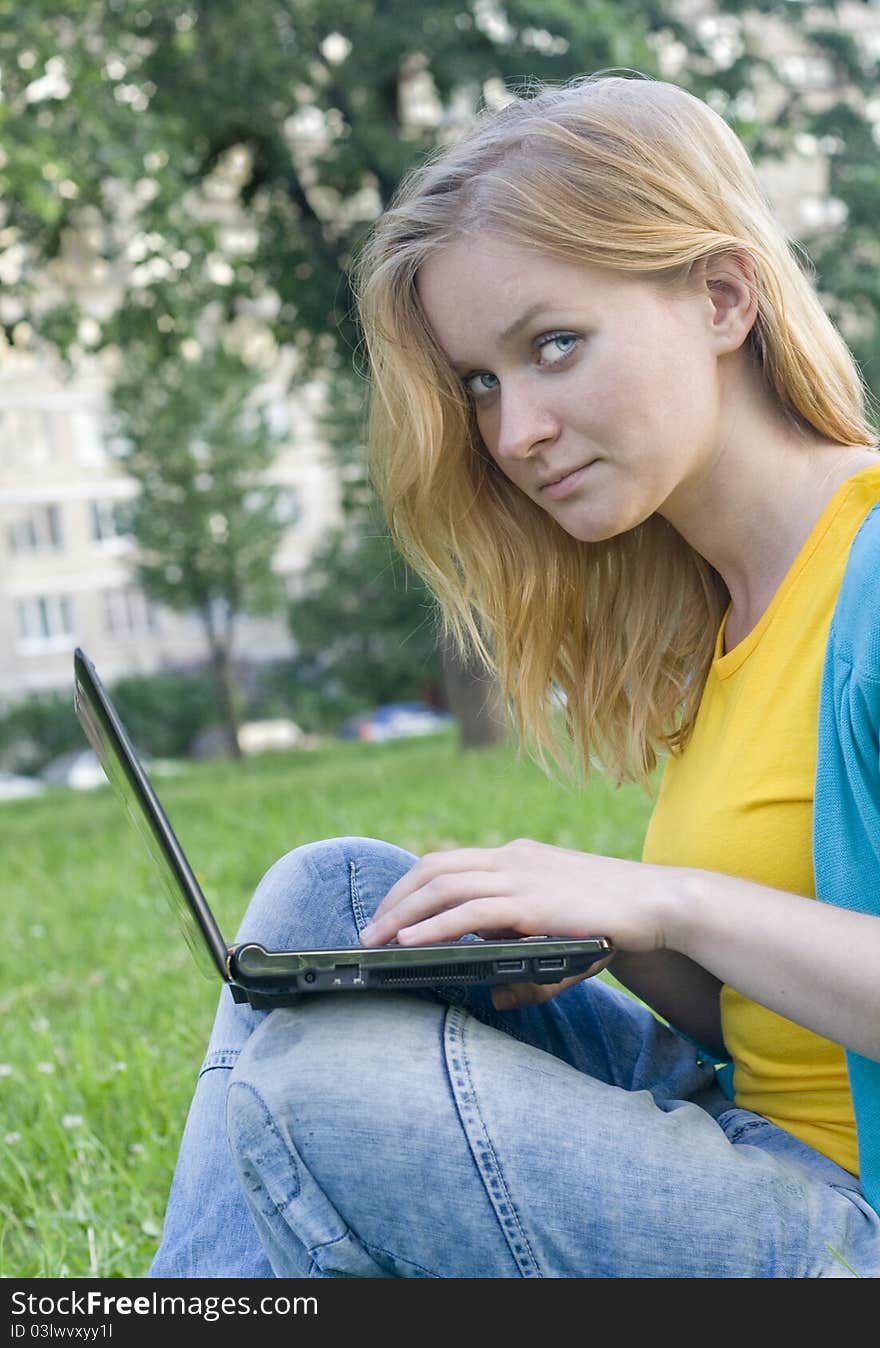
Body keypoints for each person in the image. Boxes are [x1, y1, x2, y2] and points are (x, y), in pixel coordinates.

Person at [148, 70, 880, 1278]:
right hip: (765, 1148)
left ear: (720, 296)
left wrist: (664, 902)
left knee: (326, 1097)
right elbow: (779, 1025)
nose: (513, 431)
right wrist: (593, 939)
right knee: (326, 896)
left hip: (850, 1225)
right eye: (484, 380)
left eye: (554, 345)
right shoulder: (723, 607)